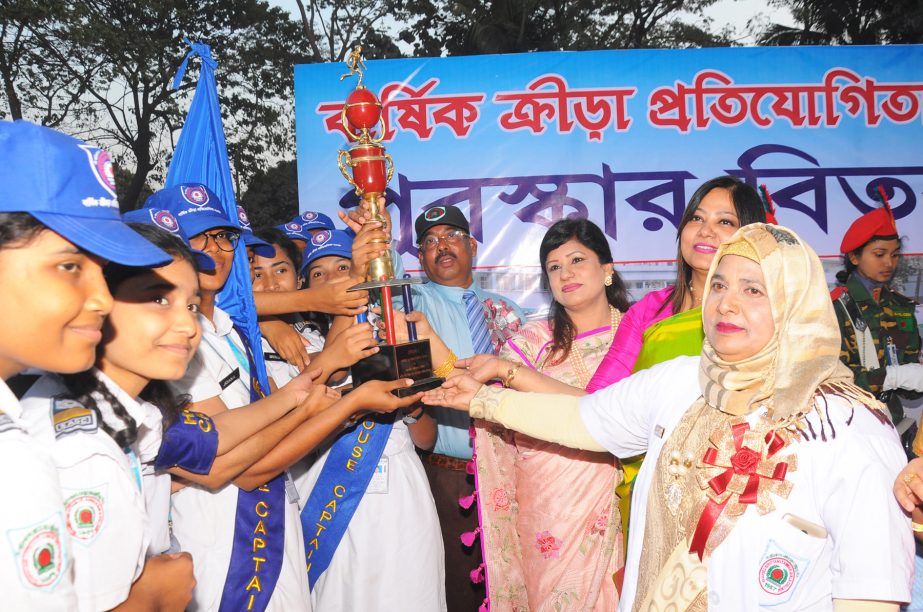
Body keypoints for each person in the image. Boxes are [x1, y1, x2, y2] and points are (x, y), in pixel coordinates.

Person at [425, 223, 913, 610]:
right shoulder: (681, 380)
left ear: (795, 304)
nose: (727, 302)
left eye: (754, 290)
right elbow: (583, 420)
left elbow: (871, 589)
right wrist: (483, 401)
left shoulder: (847, 423)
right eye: (719, 283)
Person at [151, 183, 422, 611]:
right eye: (199, 238)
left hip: (277, 529)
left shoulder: (231, 332)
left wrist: (363, 270)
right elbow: (243, 467)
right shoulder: (177, 344)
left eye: (225, 237)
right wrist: (344, 400)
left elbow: (283, 412)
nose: (216, 250)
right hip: (229, 551)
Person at [0, 120, 190, 610]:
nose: (103, 300)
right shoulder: (40, 454)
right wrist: (147, 601)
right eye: (70, 266)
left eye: (102, 272)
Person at [342, 201, 525, 611]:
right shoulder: (409, 306)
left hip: (513, 474)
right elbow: (377, 299)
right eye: (429, 242)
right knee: (455, 593)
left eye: (452, 237)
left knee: (515, 584)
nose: (442, 246)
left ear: (473, 247)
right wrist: (374, 245)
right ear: (420, 257)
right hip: (447, 478)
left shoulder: (509, 313)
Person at [20, 223, 204, 610]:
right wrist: (153, 599)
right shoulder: (83, 451)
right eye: (158, 300)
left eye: (192, 305)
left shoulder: (121, 415)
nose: (189, 326)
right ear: (98, 300)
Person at [455, 218, 629, 610]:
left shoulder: (642, 334)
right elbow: (483, 397)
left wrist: (512, 374)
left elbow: (622, 415)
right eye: (554, 267)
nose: (565, 273)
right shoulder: (532, 342)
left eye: (577, 260)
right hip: (550, 509)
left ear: (607, 270)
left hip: (622, 497)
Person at [584, 176, 767, 546]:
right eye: (697, 218)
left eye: (725, 222)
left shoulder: (764, 311)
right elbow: (597, 404)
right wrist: (512, 377)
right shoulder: (649, 312)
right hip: (653, 488)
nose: (705, 230)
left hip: (735, 488)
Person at [294, 226, 446, 612]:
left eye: (345, 267)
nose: (334, 280)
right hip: (329, 499)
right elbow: (307, 392)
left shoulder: (395, 333)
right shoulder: (297, 347)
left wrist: (412, 409)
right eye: (319, 274)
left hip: (401, 498)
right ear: (306, 286)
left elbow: (427, 438)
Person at [831, 200, 922, 427]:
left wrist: (915, 376)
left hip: (890, 421)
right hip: (845, 423)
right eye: (879, 254)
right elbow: (830, 380)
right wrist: (890, 377)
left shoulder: (900, 307)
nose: (889, 263)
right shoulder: (835, 307)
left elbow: (909, 380)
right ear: (854, 257)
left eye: (895, 255)